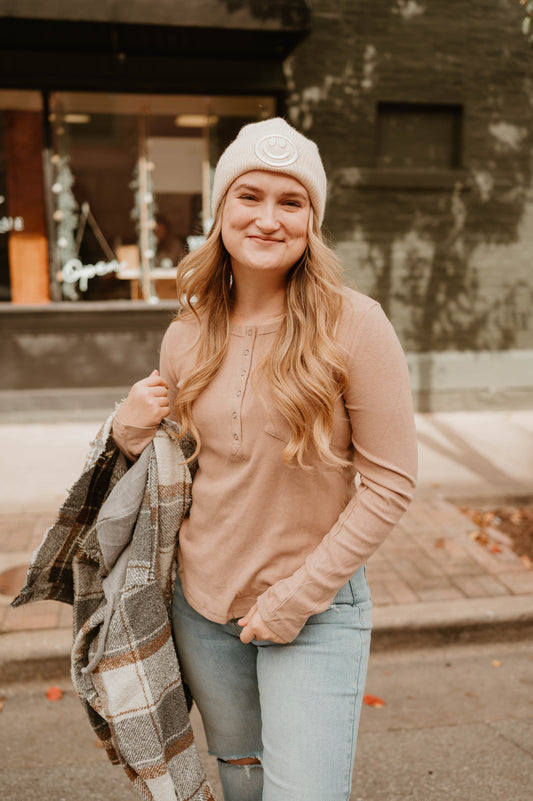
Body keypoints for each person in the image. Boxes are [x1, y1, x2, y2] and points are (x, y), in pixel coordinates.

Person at [112, 117, 418, 801]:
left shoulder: (354, 322)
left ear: (313, 219)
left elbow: (391, 483)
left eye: (291, 201)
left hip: (311, 609)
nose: (268, 218)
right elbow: (176, 473)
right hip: (203, 608)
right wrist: (127, 433)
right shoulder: (186, 332)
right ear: (220, 209)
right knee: (242, 784)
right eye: (249, 196)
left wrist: (296, 598)